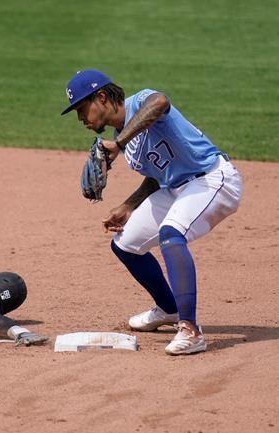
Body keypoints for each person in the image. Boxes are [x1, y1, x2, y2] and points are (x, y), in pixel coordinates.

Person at [61, 69, 242, 355]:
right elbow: (158, 175)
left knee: (171, 233)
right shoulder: (123, 137)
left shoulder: (142, 101)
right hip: (176, 189)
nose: (81, 118)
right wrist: (129, 205)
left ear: (102, 97)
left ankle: (191, 331)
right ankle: (169, 309)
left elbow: (160, 103)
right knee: (125, 245)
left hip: (212, 178)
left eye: (82, 109)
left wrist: (118, 146)